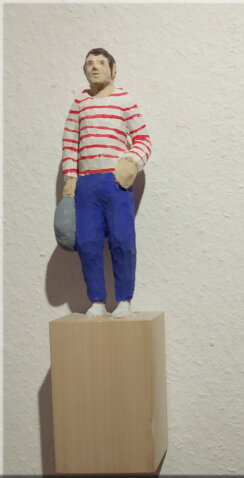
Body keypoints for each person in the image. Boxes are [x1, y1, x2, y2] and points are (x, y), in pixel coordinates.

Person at [61, 48, 152, 318]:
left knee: (122, 239)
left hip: (115, 184)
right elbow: (70, 143)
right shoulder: (79, 103)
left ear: (113, 69)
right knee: (87, 241)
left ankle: (124, 299)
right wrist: (70, 177)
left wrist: (131, 163)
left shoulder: (124, 100)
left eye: (101, 62)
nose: (95, 67)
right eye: (89, 63)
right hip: (86, 185)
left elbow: (143, 139)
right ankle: (97, 300)